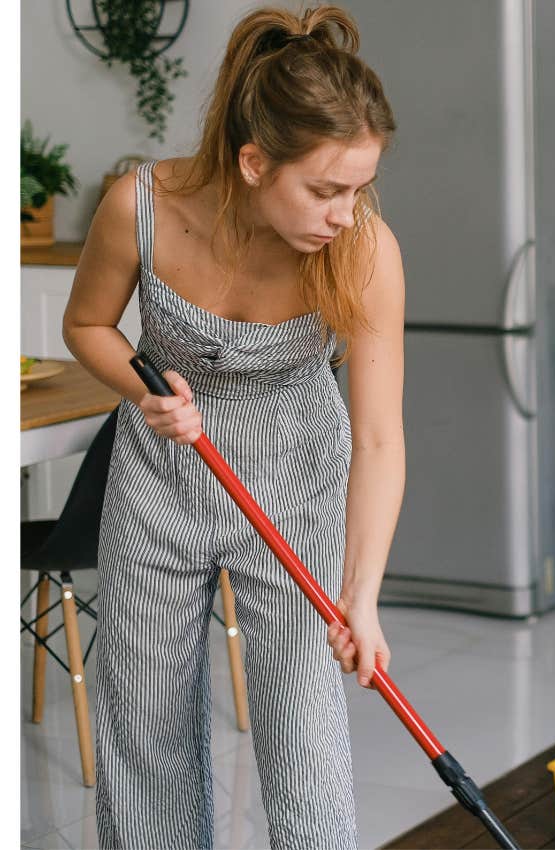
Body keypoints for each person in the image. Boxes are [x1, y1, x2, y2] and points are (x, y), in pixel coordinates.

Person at [62, 5, 404, 848]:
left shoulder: (363, 250)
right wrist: (143, 390)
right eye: (324, 189)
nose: (343, 212)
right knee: (142, 725)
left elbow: (379, 439)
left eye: (358, 187)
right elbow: (87, 327)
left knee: (304, 739)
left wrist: (361, 596)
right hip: (159, 480)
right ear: (254, 162)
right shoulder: (139, 204)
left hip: (298, 481)